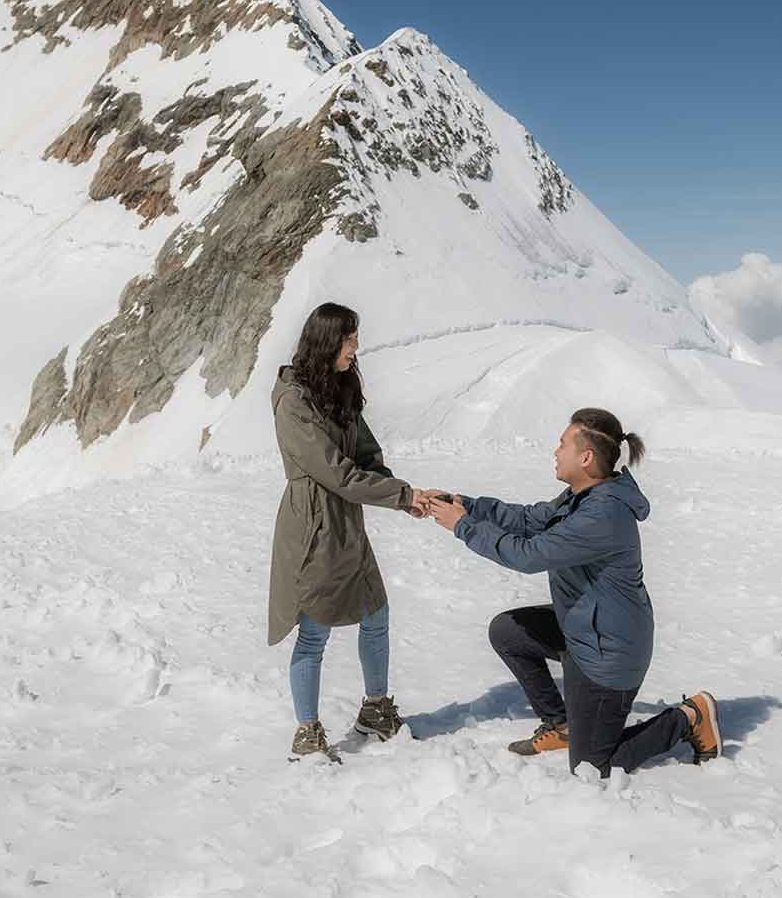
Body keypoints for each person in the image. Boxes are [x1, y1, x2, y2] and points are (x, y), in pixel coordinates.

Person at [424, 408, 720, 776]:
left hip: (608, 653)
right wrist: (465, 504)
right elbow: (530, 520)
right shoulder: (583, 495)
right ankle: (562, 725)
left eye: (562, 444)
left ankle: (689, 718)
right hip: (586, 628)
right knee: (508, 631)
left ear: (586, 457)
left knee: (594, 767)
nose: (555, 451)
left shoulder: (603, 514)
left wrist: (464, 527)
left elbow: (527, 554)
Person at [268, 302, 436, 762]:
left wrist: (404, 493)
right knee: (314, 631)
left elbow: (364, 453)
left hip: (348, 520)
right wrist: (401, 496)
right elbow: (335, 473)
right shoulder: (293, 400)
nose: (356, 348)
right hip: (316, 524)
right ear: (327, 341)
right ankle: (308, 734)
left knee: (375, 613)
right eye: (350, 339)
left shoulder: (339, 387)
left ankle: (376, 710)